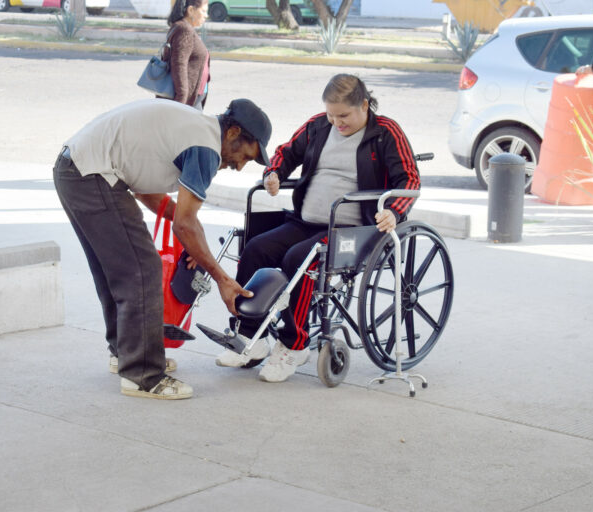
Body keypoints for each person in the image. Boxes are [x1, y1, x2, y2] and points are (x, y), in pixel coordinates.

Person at [54, 98, 272, 399]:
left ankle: (126, 354)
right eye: (244, 156)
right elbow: (184, 225)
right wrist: (222, 278)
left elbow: (149, 193)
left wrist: (195, 242)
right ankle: (142, 374)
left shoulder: (195, 129)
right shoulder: (206, 147)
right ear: (233, 132)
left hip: (76, 170)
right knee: (142, 269)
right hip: (91, 176)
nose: (239, 166)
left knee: (117, 269)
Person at [215, 74, 420, 383]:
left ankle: (294, 345)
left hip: (351, 230)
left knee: (301, 258)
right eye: (331, 114)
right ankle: (250, 336)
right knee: (255, 247)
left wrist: (393, 212)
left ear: (364, 105)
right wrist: (274, 173)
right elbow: (286, 152)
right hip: (304, 220)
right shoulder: (317, 126)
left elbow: (409, 180)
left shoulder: (385, 133)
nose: (337, 122)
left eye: (344, 116)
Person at [163, 0, 210, 110]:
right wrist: (181, 99)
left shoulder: (184, 28)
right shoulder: (184, 30)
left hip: (193, 97)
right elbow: (179, 64)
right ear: (191, 10)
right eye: (203, 11)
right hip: (188, 100)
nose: (206, 16)